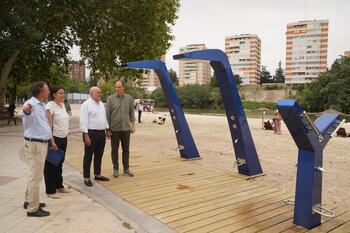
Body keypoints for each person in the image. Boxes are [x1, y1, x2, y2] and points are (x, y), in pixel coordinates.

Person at [21, 81, 51, 217]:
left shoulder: (41, 105)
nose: (49, 91)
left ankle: (29, 201)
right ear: (41, 92)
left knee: (33, 174)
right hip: (36, 145)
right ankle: (33, 209)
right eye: (47, 89)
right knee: (36, 176)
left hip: (39, 143)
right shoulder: (31, 104)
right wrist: (26, 112)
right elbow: (26, 120)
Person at [80, 86, 110, 186]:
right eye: (98, 92)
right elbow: (83, 121)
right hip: (90, 133)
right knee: (88, 155)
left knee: (99, 155)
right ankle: (87, 177)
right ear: (91, 94)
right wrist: (86, 135)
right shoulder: (86, 105)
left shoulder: (101, 104)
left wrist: (107, 129)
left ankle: (97, 174)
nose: (100, 94)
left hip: (101, 133)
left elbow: (103, 117)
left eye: (100, 92)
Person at [44, 86, 70, 199]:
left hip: (64, 138)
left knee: (60, 163)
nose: (62, 95)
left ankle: (59, 186)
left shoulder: (63, 105)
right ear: (54, 94)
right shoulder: (50, 105)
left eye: (63, 93)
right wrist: (52, 141)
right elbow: (48, 125)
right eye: (60, 93)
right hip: (54, 138)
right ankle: (50, 190)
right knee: (51, 165)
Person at [106, 80, 136, 178]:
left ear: (123, 87)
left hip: (126, 129)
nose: (117, 89)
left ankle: (126, 169)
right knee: (114, 150)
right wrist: (107, 129)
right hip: (114, 129)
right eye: (116, 87)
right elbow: (107, 115)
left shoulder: (129, 98)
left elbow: (131, 112)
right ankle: (115, 169)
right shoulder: (110, 99)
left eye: (119, 87)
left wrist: (133, 125)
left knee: (126, 150)